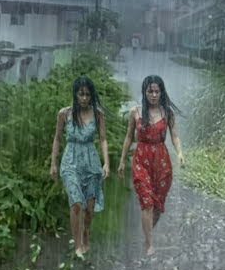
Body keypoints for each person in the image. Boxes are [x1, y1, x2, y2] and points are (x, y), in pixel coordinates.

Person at [118, 74, 185, 256]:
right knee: (146, 201)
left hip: (162, 162)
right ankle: (149, 244)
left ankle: (146, 233)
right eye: (150, 91)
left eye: (157, 91)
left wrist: (180, 153)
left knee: (157, 205)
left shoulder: (167, 113)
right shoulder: (135, 112)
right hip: (141, 160)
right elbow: (129, 137)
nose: (153, 95)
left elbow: (175, 136)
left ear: (161, 92)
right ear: (144, 92)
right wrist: (122, 161)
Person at [50, 76, 111, 259]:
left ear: (92, 96)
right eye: (81, 94)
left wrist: (106, 162)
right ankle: (77, 245)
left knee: (89, 208)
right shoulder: (65, 114)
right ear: (75, 94)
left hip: (91, 162)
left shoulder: (98, 114)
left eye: (87, 94)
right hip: (70, 161)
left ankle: (85, 232)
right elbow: (57, 138)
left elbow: (103, 139)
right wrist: (53, 163)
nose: (84, 98)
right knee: (76, 203)